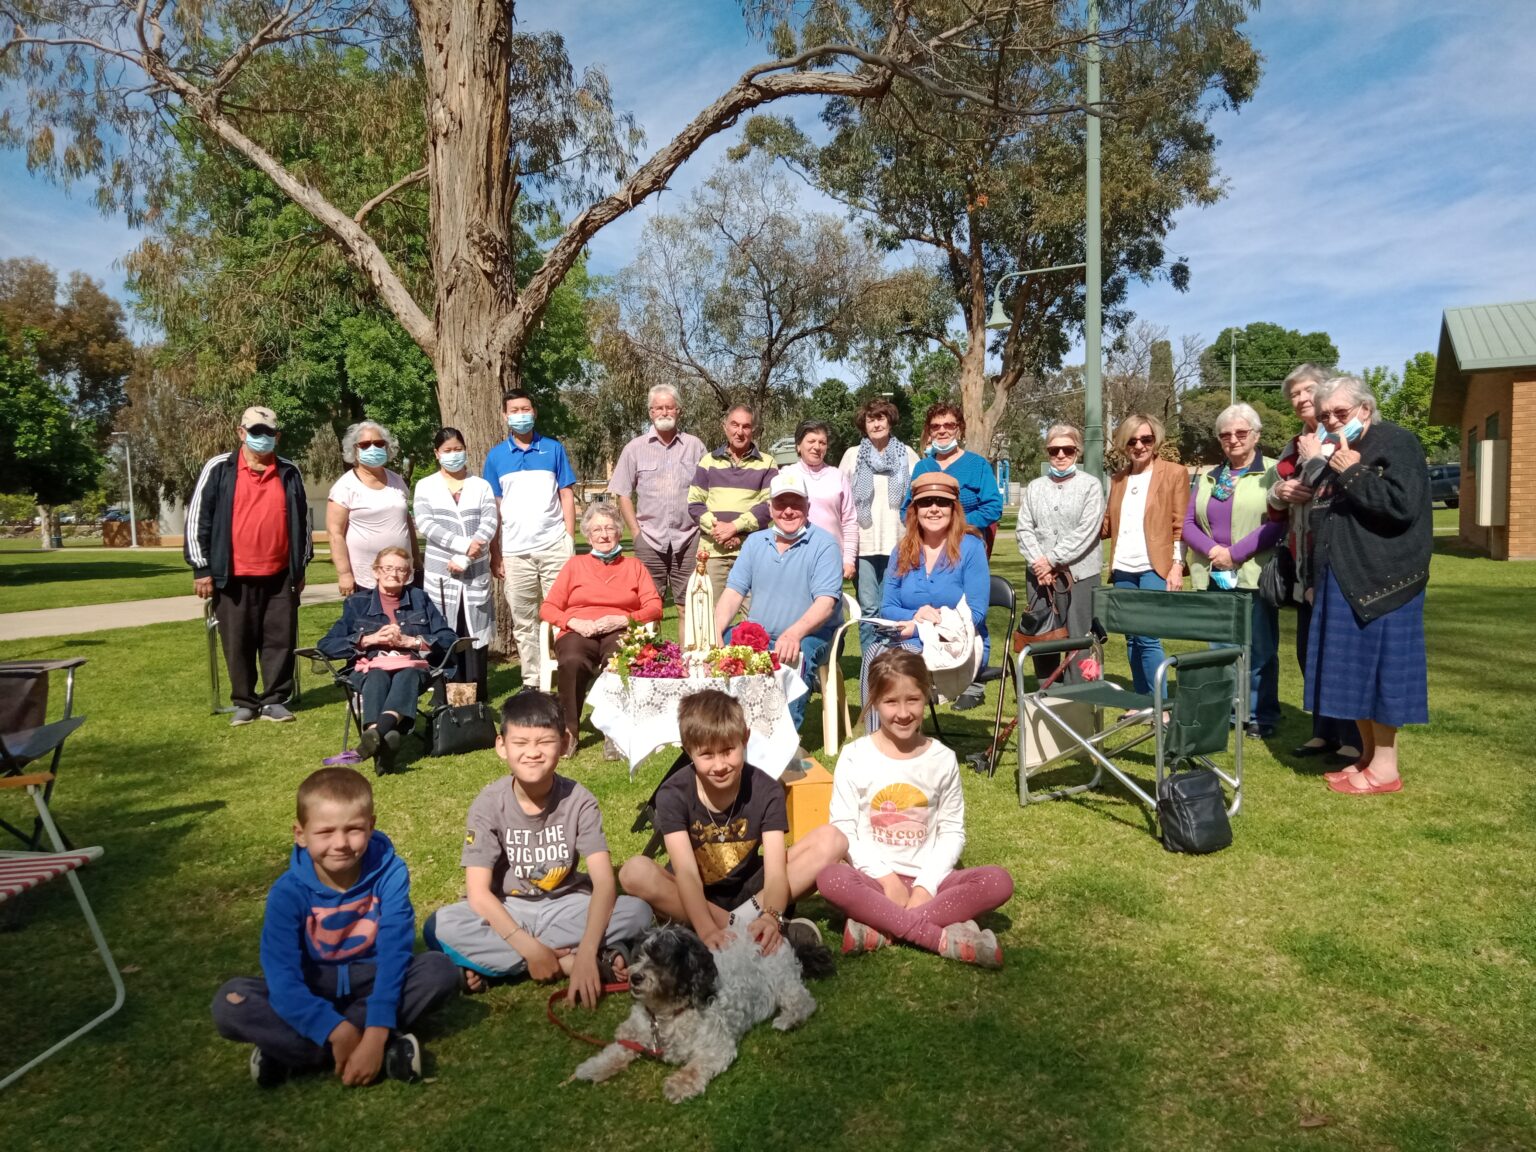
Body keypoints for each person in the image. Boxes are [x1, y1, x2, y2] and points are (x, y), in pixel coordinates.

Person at [211, 767, 459, 1087]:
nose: (340, 843)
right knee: (231, 1002)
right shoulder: (287, 893)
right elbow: (282, 977)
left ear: (371, 826)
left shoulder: (391, 873)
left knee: (439, 970)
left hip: (372, 981)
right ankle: (375, 1047)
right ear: (300, 834)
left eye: (353, 829)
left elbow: (395, 952)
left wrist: (374, 1033)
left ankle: (291, 1051)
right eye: (325, 832)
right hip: (314, 986)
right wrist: (336, 1030)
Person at [424, 691, 653, 998]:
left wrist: (584, 953)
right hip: (509, 906)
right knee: (440, 925)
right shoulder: (488, 804)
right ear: (501, 747)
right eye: (520, 743)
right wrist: (531, 947)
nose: (532, 753)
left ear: (563, 743)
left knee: (637, 911)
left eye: (544, 742)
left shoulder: (579, 800)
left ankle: (504, 963)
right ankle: (566, 961)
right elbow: (478, 893)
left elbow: (604, 883)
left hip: (567, 904)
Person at [817, 650, 1014, 967]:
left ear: (927, 696)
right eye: (891, 702)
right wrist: (887, 880)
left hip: (933, 882)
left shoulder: (942, 758)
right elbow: (844, 829)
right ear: (875, 702)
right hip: (874, 883)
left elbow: (951, 832)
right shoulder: (855, 756)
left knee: (997, 881)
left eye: (913, 700)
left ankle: (882, 927)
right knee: (831, 878)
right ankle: (938, 937)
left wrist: (925, 886)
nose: (903, 712)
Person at [617, 689, 845, 954]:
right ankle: (745, 930)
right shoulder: (673, 793)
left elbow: (774, 872)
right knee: (633, 871)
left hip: (753, 892)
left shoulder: (766, 789)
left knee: (833, 839)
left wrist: (770, 915)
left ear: (745, 739)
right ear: (688, 750)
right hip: (694, 896)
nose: (720, 764)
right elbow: (687, 873)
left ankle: (754, 927)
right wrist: (706, 929)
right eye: (707, 755)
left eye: (728, 751)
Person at [1303, 376, 1431, 796]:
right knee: (1355, 677)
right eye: (1324, 417)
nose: (1333, 422)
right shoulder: (1335, 451)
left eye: (1340, 413)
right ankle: (1368, 756)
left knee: (1381, 677)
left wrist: (1353, 472)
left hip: (1384, 582)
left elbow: (1401, 506)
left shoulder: (1397, 442)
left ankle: (1386, 769)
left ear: (1365, 409)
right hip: (1342, 577)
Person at [186, 406, 312, 726]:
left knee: (279, 640)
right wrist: (201, 568)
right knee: (237, 640)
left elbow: (303, 524)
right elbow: (198, 519)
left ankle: (274, 700)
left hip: (280, 575)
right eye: (256, 432)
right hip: (232, 575)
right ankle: (244, 701)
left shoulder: (289, 471)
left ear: (277, 436)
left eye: (268, 433)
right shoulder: (219, 468)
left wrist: (300, 568)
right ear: (241, 433)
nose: (262, 438)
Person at [1267, 365, 1362, 762]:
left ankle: (1354, 739)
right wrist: (1279, 490)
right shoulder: (1293, 446)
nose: (1302, 398)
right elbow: (1275, 502)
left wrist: (1312, 461)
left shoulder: (1346, 439)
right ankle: (1323, 731)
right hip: (1301, 561)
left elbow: (1338, 486)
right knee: (1309, 652)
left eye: (1309, 390)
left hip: (1336, 561)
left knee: (1341, 654)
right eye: (1295, 394)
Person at [1182, 403, 1284, 737]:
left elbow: (1278, 522)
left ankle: (1260, 715)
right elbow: (1186, 523)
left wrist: (1235, 554)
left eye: (1241, 433)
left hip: (1254, 572)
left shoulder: (1273, 472)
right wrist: (1214, 551)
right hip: (1212, 574)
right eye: (1226, 434)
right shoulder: (1210, 476)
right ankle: (1227, 711)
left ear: (1256, 435)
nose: (1233, 439)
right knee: (1219, 648)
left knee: (1259, 647)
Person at [713, 472, 843, 731]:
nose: (789, 511)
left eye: (796, 503)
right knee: (719, 647)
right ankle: (727, 731)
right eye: (781, 504)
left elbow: (826, 603)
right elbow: (733, 593)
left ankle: (783, 741)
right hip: (758, 634)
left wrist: (794, 633)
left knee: (797, 650)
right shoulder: (755, 542)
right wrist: (715, 631)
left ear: (808, 506)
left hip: (811, 635)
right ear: (770, 508)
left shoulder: (824, 544)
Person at [860, 471, 989, 728]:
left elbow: (975, 614)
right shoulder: (903, 549)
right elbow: (888, 607)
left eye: (942, 502)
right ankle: (876, 741)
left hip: (956, 641)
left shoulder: (971, 548)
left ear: (954, 509)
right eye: (925, 502)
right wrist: (915, 617)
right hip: (906, 635)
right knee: (874, 653)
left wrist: (921, 627)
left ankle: (897, 739)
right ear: (914, 509)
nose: (933, 509)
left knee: (897, 662)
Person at [316, 547, 458, 772]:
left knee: (407, 674)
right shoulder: (357, 603)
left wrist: (411, 642)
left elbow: (449, 638)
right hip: (370, 666)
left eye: (401, 569)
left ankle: (375, 734)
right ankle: (384, 737)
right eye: (388, 568)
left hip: (412, 665)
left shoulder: (420, 599)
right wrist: (367, 640)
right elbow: (326, 645)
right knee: (377, 676)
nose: (394, 573)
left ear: (408, 575)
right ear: (376, 572)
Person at [539, 501, 664, 756]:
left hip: (619, 628)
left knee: (617, 661)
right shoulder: (574, 566)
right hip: (578, 629)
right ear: (588, 534)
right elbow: (548, 608)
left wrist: (625, 620)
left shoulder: (634, 567)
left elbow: (655, 606)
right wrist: (573, 623)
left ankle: (614, 732)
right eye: (597, 530)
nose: (604, 535)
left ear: (619, 532)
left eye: (609, 528)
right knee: (572, 659)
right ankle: (570, 731)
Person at [483, 389, 578, 689]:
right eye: (514, 410)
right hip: (515, 552)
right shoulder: (496, 456)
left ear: (534, 412)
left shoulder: (553, 449)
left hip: (554, 546)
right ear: (505, 416)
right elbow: (493, 509)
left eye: (525, 408)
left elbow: (566, 494)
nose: (520, 414)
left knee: (561, 617)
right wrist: (495, 553)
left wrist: (569, 539)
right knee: (524, 622)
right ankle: (533, 680)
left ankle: (564, 674)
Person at [1102, 414, 1189, 695]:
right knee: (1131, 637)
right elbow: (1106, 524)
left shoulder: (1175, 473)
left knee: (1148, 637)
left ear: (1156, 441)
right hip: (1123, 567)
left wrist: (1177, 565)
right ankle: (1140, 702)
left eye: (1146, 439)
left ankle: (1158, 704)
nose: (1139, 445)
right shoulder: (1118, 479)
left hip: (1155, 567)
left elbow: (1181, 524)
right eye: (1132, 440)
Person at [1016, 423, 1106, 687]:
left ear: (1077, 451)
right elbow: (1024, 528)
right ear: (1047, 452)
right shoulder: (1035, 487)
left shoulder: (1090, 486)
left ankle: (1080, 694)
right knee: (1044, 633)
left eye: (1067, 449)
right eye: (1055, 450)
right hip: (1039, 577)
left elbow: (1087, 531)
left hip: (1080, 573)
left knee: (1080, 635)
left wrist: (1052, 559)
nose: (1061, 455)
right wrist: (1039, 564)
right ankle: (1047, 691)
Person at [413, 427, 498, 702]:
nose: (453, 455)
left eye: (458, 449)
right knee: (446, 632)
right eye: (447, 451)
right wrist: (461, 547)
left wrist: (470, 554)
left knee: (474, 634)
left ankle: (474, 699)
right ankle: (448, 698)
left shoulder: (481, 485)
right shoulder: (426, 486)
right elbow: (425, 523)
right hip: (443, 572)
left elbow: (490, 520)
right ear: (437, 454)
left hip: (474, 572)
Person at [608, 384, 707, 607]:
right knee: (649, 608)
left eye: (670, 407)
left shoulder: (695, 446)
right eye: (659, 408)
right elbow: (623, 492)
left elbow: (708, 492)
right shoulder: (634, 448)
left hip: (689, 539)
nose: (664, 412)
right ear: (651, 412)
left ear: (678, 411)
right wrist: (635, 534)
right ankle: (651, 645)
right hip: (649, 540)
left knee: (690, 607)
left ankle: (686, 645)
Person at [839, 397, 918, 646]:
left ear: (890, 421)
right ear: (864, 425)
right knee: (869, 611)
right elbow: (841, 499)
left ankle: (889, 667)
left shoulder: (907, 454)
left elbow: (918, 498)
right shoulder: (853, 456)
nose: (876, 424)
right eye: (870, 419)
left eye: (880, 418)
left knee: (890, 610)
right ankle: (870, 669)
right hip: (864, 546)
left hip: (898, 543)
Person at [688, 404, 777, 610]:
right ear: (724, 427)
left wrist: (735, 528)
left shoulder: (767, 463)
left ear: (752, 430)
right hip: (712, 553)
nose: (740, 432)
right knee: (711, 620)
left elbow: (768, 506)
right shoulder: (708, 461)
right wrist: (720, 531)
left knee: (756, 617)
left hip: (751, 552)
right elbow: (694, 503)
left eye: (746, 426)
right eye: (734, 425)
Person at [327, 420, 419, 598]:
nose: (373, 448)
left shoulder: (397, 481)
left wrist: (416, 558)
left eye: (378, 443)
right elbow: (334, 532)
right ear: (355, 450)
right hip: (365, 579)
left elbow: (406, 521)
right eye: (365, 444)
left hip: (402, 574)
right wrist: (344, 573)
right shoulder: (345, 486)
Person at [904, 402, 1003, 555]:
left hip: (966, 546)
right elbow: (906, 510)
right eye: (935, 426)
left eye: (949, 425)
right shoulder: (922, 467)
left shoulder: (978, 465)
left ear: (959, 429)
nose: (942, 430)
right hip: (927, 549)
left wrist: (954, 524)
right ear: (929, 432)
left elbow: (993, 508)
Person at [779, 419, 857, 582]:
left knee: (829, 606)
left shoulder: (837, 476)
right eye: (811, 441)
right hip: (795, 558)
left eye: (822, 442)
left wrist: (849, 559)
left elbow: (849, 521)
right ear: (798, 445)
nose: (817, 446)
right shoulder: (786, 475)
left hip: (831, 558)